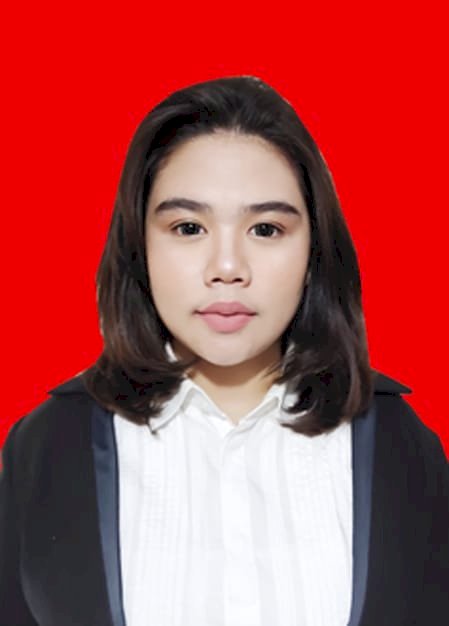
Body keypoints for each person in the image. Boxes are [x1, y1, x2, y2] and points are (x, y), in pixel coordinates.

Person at [0, 76, 447, 626]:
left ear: (313, 249)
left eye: (266, 229)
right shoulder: (46, 445)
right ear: (139, 245)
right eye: (189, 227)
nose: (228, 267)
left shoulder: (400, 445)